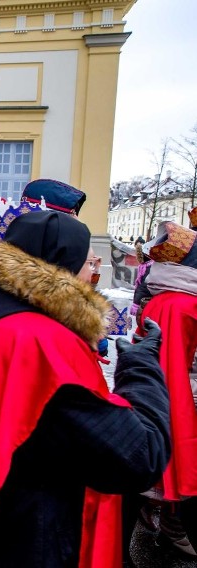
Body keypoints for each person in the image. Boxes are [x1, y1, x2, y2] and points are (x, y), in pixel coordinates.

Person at [0, 211, 171, 567]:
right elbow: (138, 457)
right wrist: (143, 369)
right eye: (89, 261)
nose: (93, 272)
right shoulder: (46, 343)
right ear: (62, 268)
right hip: (31, 535)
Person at [122, 221, 197, 564]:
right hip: (180, 401)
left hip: (161, 396)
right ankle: (170, 525)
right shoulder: (184, 305)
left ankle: (166, 521)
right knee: (173, 469)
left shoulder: (164, 298)